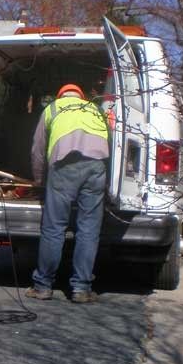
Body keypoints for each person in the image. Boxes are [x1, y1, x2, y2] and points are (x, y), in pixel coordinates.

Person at [27, 83, 110, 303]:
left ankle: (43, 286)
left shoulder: (52, 109)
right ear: (81, 96)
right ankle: (81, 289)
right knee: (89, 230)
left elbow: (38, 149)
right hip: (96, 167)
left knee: (54, 227)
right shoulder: (95, 110)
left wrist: (38, 179)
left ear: (60, 95)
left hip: (64, 166)